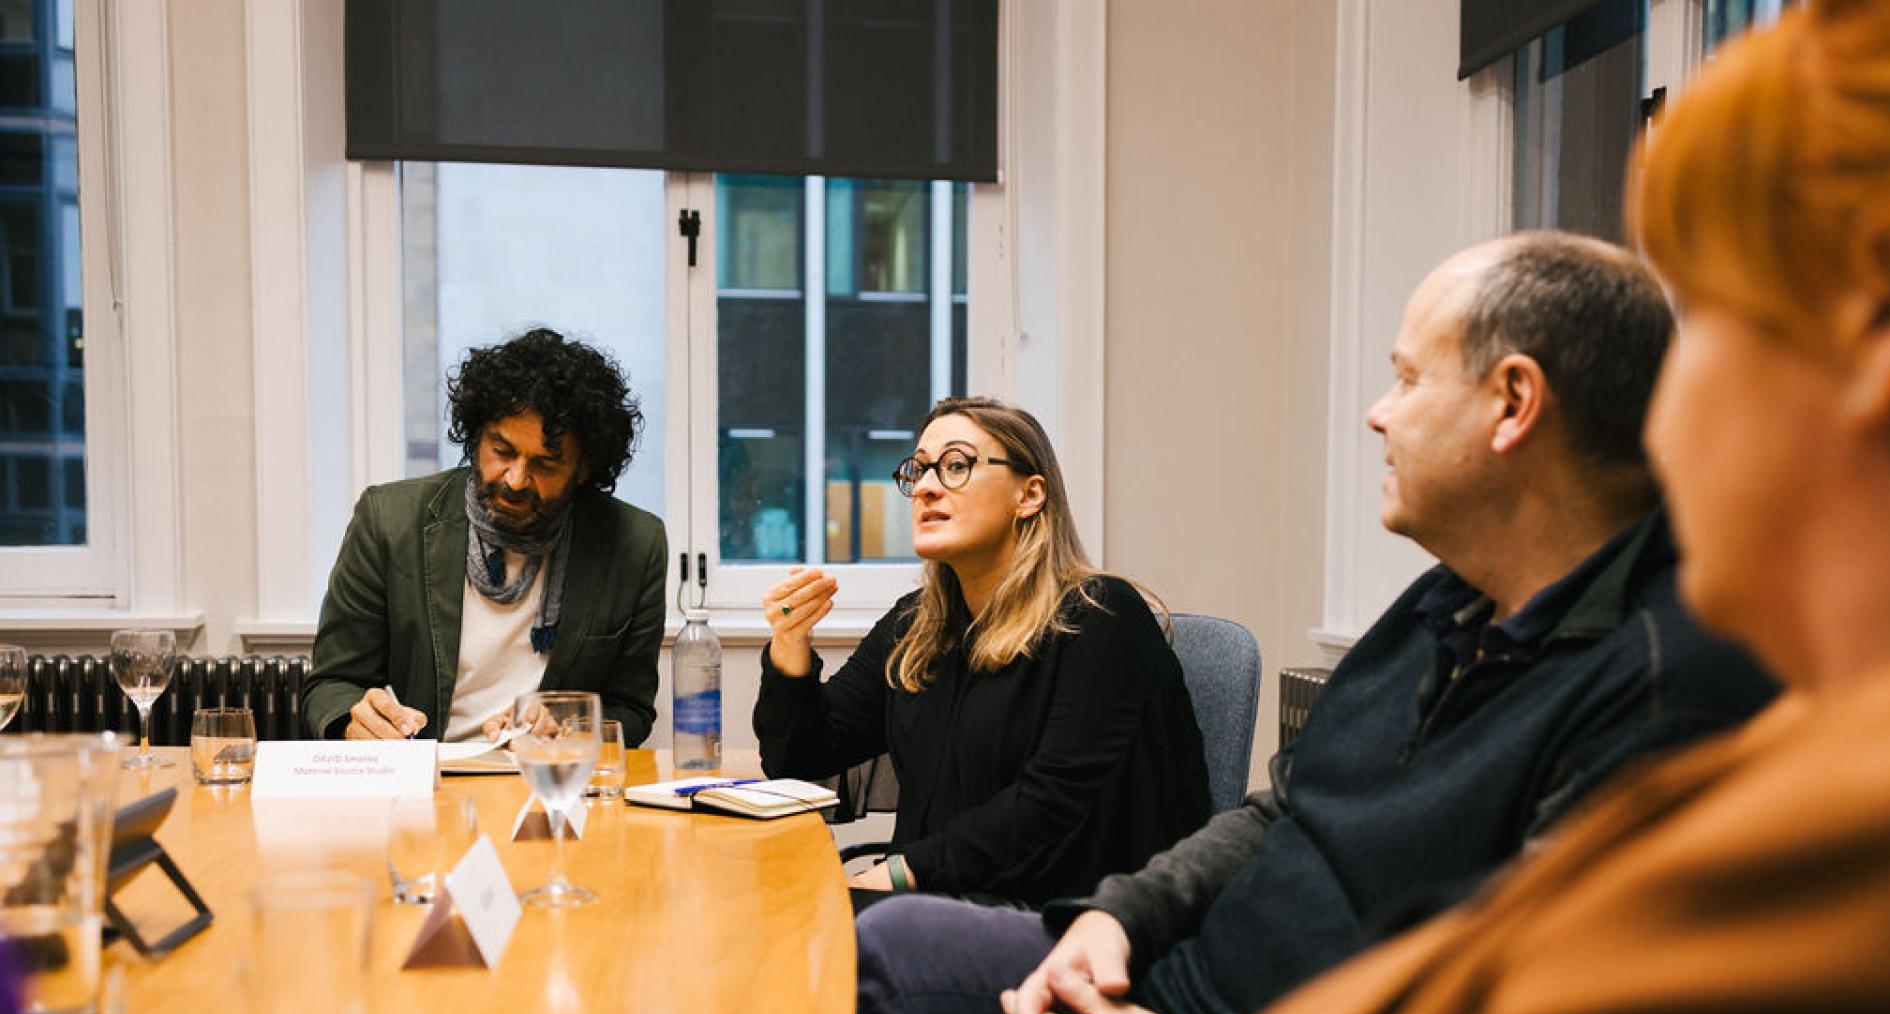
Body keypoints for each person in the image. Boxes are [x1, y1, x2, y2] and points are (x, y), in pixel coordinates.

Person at [1085, 3, 1890, 1014]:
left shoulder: (1810, 842)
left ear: (1882, 323)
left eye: (1713, 320)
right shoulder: (1794, 765)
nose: (1661, 409)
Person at [843, 233, 1781, 1014]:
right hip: (1186, 984)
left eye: (1408, 379)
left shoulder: (1660, 688)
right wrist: (1117, 917)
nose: (1379, 412)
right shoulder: (1449, 598)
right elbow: (1277, 809)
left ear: (1513, 405)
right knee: (898, 952)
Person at [753, 396, 1211, 908]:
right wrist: (791, 642)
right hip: (938, 899)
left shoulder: (1102, 616)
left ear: (1029, 495)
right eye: (919, 470)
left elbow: (1047, 807)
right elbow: (800, 758)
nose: (925, 487)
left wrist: (902, 873)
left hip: (1063, 918)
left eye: (956, 466)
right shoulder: (917, 624)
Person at [304, 328, 667, 744]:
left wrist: (568, 725)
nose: (514, 480)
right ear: (477, 437)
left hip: (547, 782)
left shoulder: (634, 545)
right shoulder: (390, 521)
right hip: (427, 783)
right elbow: (330, 686)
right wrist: (356, 724)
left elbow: (631, 710)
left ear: (584, 468)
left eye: (545, 465)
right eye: (502, 451)